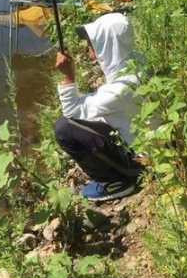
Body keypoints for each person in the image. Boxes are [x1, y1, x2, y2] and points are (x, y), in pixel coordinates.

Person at [55, 13, 144, 202]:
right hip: (149, 142)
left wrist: (69, 77)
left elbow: (72, 113)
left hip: (139, 160)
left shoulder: (120, 90)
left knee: (65, 128)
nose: (88, 49)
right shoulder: (139, 63)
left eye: (92, 43)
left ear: (107, 45)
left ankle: (117, 180)